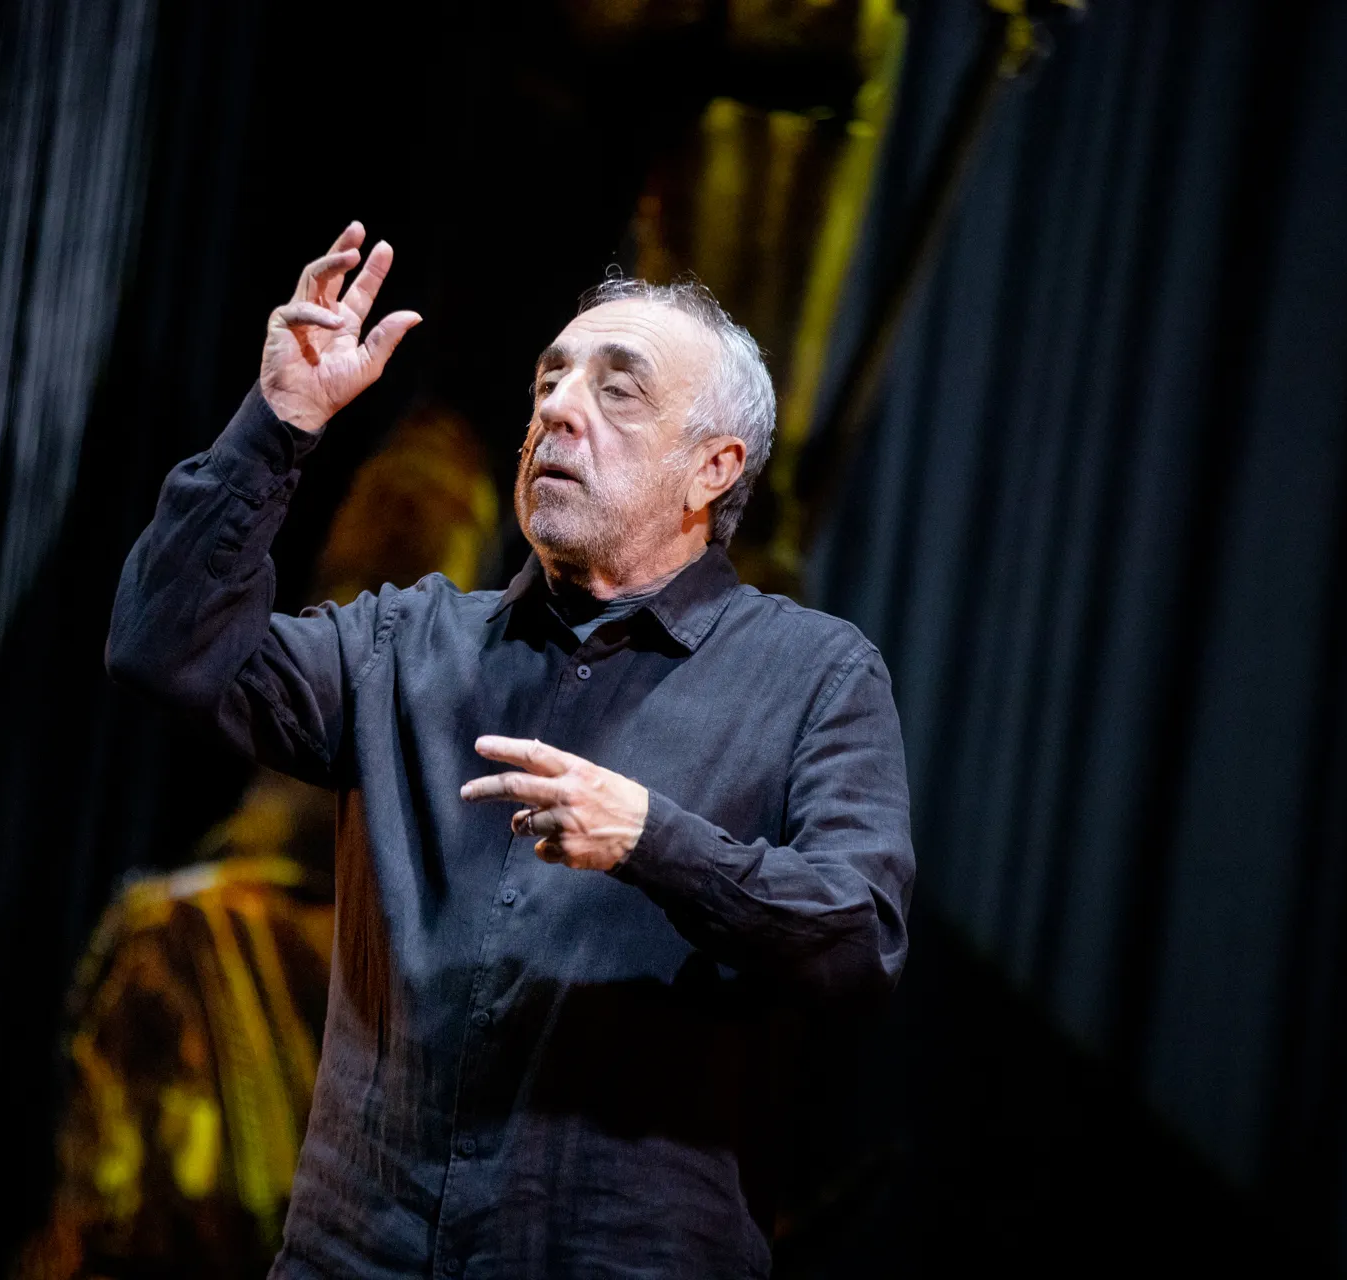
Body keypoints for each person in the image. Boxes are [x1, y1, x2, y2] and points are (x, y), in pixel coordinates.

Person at [108, 221, 914, 1278]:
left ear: (711, 469)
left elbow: (860, 935)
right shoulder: (406, 642)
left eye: (616, 390)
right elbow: (166, 650)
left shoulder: (814, 675)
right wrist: (278, 424)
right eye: (549, 381)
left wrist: (654, 838)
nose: (557, 408)